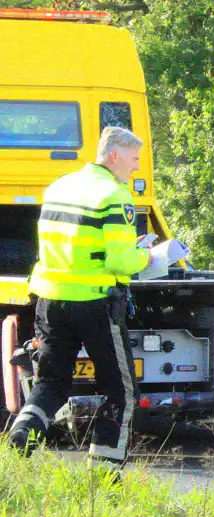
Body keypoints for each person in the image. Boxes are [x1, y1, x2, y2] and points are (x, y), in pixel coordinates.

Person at [7, 126, 154, 466]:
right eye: (133, 159)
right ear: (114, 155)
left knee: (51, 381)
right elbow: (119, 261)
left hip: (51, 300)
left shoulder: (60, 187)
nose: (136, 167)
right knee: (122, 391)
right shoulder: (114, 195)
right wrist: (146, 257)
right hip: (95, 303)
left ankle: (23, 432)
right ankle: (104, 471)